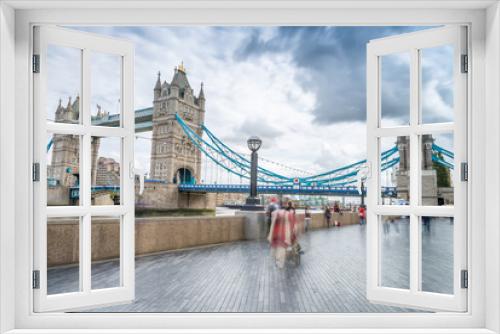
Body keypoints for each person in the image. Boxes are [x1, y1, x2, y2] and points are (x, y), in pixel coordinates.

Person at [267, 202, 298, 268]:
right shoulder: (289, 214)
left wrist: (270, 235)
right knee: (282, 248)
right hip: (284, 235)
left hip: (275, 234)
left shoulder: (274, 213)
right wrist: (293, 232)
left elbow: (271, 224)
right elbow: (293, 225)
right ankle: (280, 262)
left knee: (276, 248)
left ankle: (277, 260)